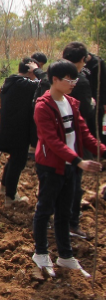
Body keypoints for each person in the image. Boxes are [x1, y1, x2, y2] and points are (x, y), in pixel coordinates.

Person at [31, 59, 106, 276]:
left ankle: (65, 255)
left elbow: (84, 134)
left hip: (70, 168)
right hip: (51, 166)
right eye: (69, 79)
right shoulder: (43, 106)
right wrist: (78, 161)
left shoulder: (71, 103)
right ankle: (41, 253)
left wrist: (101, 149)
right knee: (44, 210)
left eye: (75, 78)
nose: (74, 83)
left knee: (64, 211)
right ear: (55, 80)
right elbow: (52, 142)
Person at [0, 58, 47, 206]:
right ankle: (10, 197)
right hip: (19, 129)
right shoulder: (23, 84)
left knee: (14, 159)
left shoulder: (12, 81)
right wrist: (37, 71)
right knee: (18, 162)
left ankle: (4, 188)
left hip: (10, 127)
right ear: (29, 71)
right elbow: (47, 82)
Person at [64, 42, 96, 238]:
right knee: (75, 181)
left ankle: (61, 217)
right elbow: (86, 113)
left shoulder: (53, 76)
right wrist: (91, 105)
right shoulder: (80, 81)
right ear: (83, 60)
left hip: (58, 140)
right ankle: (72, 222)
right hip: (75, 139)